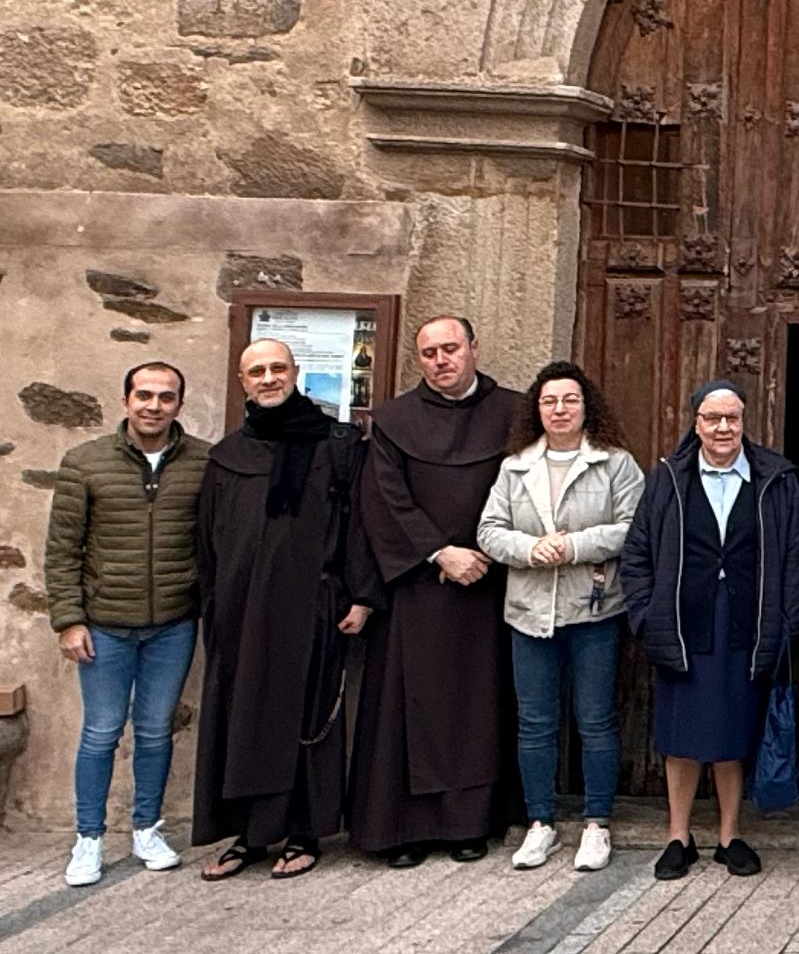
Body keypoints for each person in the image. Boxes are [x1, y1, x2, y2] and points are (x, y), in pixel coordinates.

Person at [193, 340, 378, 880]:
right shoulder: (228, 455)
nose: (268, 378)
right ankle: (247, 835)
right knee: (243, 716)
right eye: (257, 372)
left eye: (278, 368)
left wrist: (361, 596)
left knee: (304, 720)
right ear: (243, 381)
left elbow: (360, 527)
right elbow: (208, 539)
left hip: (314, 605)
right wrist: (215, 604)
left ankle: (302, 833)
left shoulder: (338, 444)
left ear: (296, 374)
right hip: (241, 610)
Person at [621, 380, 799, 882]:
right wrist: (646, 615)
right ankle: (677, 837)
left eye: (732, 418)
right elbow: (637, 553)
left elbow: (798, 557)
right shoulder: (668, 478)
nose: (723, 427)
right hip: (684, 626)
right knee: (680, 736)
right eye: (713, 418)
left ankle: (730, 836)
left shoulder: (774, 478)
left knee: (732, 733)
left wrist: (787, 622)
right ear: (697, 424)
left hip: (746, 627)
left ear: (744, 421)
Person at [350, 316, 525, 866]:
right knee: (409, 709)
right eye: (429, 353)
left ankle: (470, 824)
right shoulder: (396, 420)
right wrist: (439, 552)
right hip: (419, 589)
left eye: (451, 348)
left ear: (474, 347)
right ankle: (406, 830)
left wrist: (488, 552)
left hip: (491, 586)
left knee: (478, 707)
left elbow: (530, 485)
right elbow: (384, 499)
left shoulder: (516, 412)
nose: (441, 361)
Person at [478, 362, 645, 875]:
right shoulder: (515, 467)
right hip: (530, 611)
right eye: (550, 401)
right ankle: (540, 823)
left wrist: (574, 545)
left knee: (595, 720)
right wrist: (530, 549)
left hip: (592, 608)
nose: (560, 409)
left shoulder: (615, 464)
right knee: (535, 722)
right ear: (537, 408)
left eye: (570, 400)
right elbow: (489, 531)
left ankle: (597, 823)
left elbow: (633, 527)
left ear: (586, 405)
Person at [46, 361, 208, 887]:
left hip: (172, 624)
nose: (153, 406)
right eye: (144, 395)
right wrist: (69, 620)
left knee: (157, 730)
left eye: (165, 397)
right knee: (101, 732)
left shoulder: (204, 462)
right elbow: (62, 550)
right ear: (125, 400)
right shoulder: (84, 463)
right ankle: (88, 838)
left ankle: (147, 828)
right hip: (105, 625)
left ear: (179, 404)